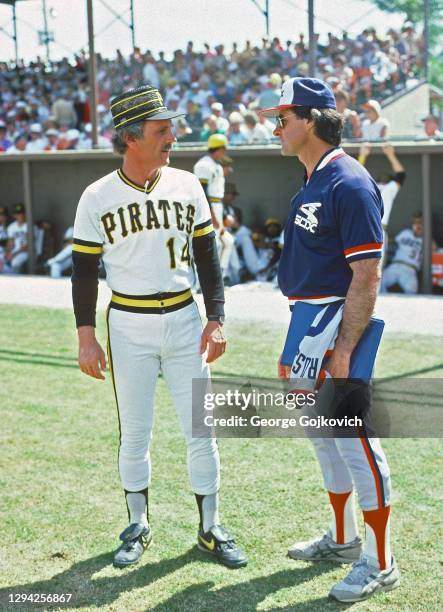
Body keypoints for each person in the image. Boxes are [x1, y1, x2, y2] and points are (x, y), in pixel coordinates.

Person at [71, 85, 247, 570]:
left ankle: (210, 528)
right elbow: (84, 270)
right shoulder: (97, 196)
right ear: (131, 137)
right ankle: (137, 524)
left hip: (186, 318)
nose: (172, 136)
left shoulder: (188, 184)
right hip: (128, 323)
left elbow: (208, 257)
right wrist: (86, 335)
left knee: (201, 428)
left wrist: (217, 317)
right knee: (136, 433)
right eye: (161, 130)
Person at [261, 77, 400, 603]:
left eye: (282, 118)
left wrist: (343, 347)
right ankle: (343, 540)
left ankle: (380, 562)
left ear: (312, 119)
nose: (275, 127)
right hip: (306, 323)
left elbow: (366, 275)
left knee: (355, 441)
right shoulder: (315, 178)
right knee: (324, 440)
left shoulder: (349, 181)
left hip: (333, 326)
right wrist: (295, 345)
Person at [193, 134, 234, 281]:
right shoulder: (204, 165)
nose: (225, 152)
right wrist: (212, 215)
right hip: (207, 206)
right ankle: (200, 281)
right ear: (219, 148)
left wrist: (220, 217)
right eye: (224, 149)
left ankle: (218, 277)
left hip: (217, 205)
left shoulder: (216, 164)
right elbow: (202, 193)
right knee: (211, 246)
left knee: (228, 242)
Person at [358, 143, 406, 265]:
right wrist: (390, 155)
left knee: (371, 267)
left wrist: (363, 156)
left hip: (368, 229)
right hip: (371, 229)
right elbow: (401, 175)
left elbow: (355, 175)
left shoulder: (376, 187)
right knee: (370, 267)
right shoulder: (377, 186)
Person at [381, 213, 427, 294]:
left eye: (420, 222)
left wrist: (423, 234)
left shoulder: (426, 239)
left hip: (410, 269)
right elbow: (392, 240)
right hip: (395, 266)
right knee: (378, 283)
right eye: (415, 222)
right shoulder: (405, 233)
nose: (417, 225)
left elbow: (435, 249)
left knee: (412, 290)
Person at [5, 203, 36, 273]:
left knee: (15, 262)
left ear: (25, 214)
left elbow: (28, 245)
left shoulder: (30, 226)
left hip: (27, 252)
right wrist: (7, 253)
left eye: (21, 213)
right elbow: (10, 243)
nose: (20, 216)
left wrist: (13, 254)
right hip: (15, 251)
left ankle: (15, 282)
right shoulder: (11, 227)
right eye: (17, 214)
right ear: (14, 215)